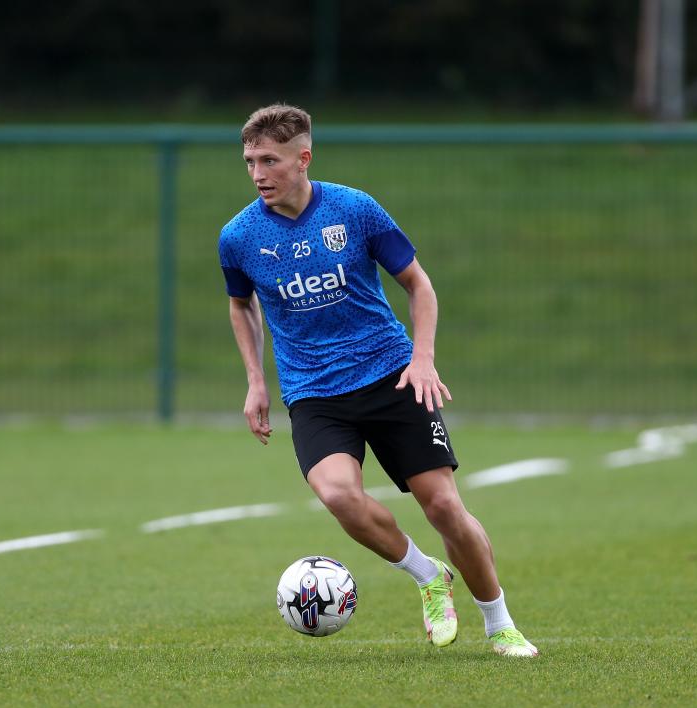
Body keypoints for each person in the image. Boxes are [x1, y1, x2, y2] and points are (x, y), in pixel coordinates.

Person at [218, 104, 538, 657]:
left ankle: (500, 623)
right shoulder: (239, 236)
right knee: (339, 495)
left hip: (392, 376)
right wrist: (255, 380)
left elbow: (419, 285)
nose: (257, 173)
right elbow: (241, 305)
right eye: (250, 161)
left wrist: (423, 358)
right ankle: (428, 576)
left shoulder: (354, 209)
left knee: (444, 507)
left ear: (304, 158)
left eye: (269, 160)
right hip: (314, 391)